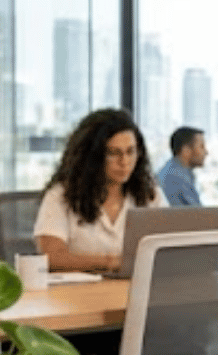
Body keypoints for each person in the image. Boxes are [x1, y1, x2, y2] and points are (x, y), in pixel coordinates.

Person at [33, 109, 165, 274]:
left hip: (134, 286)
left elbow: (169, 250)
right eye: (113, 153)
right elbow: (52, 257)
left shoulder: (151, 195)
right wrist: (111, 262)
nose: (124, 161)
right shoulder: (61, 196)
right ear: (92, 157)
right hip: (78, 289)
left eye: (130, 152)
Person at [157, 126, 206, 207]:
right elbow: (198, 212)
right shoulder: (175, 177)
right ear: (186, 150)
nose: (206, 152)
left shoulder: (176, 171)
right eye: (202, 146)